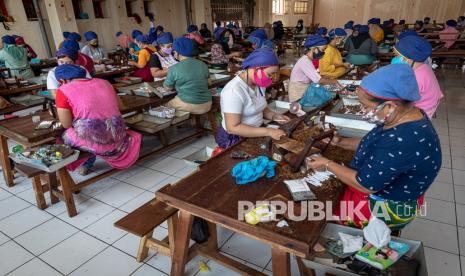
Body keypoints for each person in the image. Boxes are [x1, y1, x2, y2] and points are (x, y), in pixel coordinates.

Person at [307, 64, 441, 229]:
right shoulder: (406, 115)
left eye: (366, 106)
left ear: (390, 106)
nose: (363, 110)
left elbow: (365, 185)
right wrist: (340, 141)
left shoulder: (402, 139)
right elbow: (373, 144)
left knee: (313, 210)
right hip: (384, 190)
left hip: (386, 208)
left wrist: (327, 164)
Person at [54, 64, 142, 175]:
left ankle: (81, 164)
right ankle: (86, 162)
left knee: (61, 138)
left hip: (94, 142)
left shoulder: (63, 90)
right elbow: (121, 107)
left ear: (63, 80)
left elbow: (66, 124)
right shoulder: (105, 82)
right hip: (118, 135)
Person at [216, 48, 289, 149]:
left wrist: (274, 116)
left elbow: (261, 107)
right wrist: (268, 131)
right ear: (257, 69)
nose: (271, 78)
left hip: (257, 131)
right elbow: (233, 127)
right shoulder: (233, 91)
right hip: (236, 138)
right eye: (269, 74)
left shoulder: (258, 83)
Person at [392, 36, 443, 118]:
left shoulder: (416, 77)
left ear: (409, 60)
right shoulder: (423, 67)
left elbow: (403, 100)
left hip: (421, 111)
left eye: (397, 56)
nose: (394, 58)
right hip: (429, 105)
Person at [163, 37, 212, 114]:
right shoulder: (202, 64)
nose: (174, 54)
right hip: (207, 104)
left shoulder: (174, 68)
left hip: (189, 104)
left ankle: (180, 125)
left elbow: (167, 88)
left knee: (165, 106)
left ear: (178, 53)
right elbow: (209, 83)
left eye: (174, 52)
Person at [288, 35, 338, 102]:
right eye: (323, 50)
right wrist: (335, 81)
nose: (323, 52)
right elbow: (318, 80)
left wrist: (326, 78)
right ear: (314, 49)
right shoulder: (305, 61)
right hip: (297, 91)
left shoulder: (308, 60)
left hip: (303, 88)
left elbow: (313, 76)